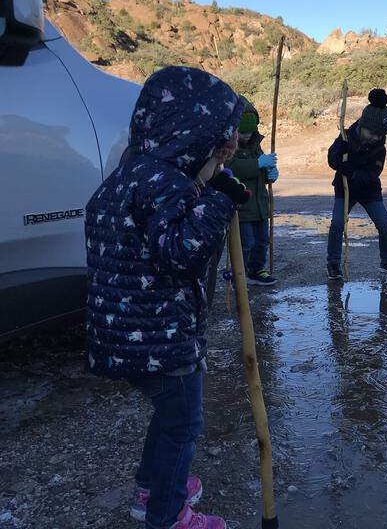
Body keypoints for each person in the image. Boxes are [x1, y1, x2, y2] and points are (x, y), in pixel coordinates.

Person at [84, 66, 250, 529]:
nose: (229, 148)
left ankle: (150, 489)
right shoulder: (166, 184)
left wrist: (205, 188)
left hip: (121, 332)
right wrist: (219, 200)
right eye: (221, 142)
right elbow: (181, 254)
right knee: (182, 426)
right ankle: (168, 514)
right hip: (161, 337)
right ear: (190, 137)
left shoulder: (129, 175)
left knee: (167, 417)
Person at [326, 88, 387, 280]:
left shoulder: (380, 149)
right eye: (373, 133)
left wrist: (351, 172)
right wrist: (339, 155)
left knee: (385, 225)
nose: (376, 138)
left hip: (369, 192)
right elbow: (332, 159)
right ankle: (333, 263)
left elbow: (371, 175)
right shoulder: (346, 136)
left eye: (380, 135)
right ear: (363, 125)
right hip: (345, 190)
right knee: (337, 224)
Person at [225, 98, 279, 286]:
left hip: (260, 205)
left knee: (262, 241)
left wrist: (269, 174)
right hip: (243, 207)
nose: (247, 135)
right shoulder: (229, 146)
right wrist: (259, 164)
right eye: (243, 131)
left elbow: (261, 175)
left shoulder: (256, 145)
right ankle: (240, 272)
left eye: (250, 131)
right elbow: (232, 168)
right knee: (245, 243)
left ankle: (257, 270)